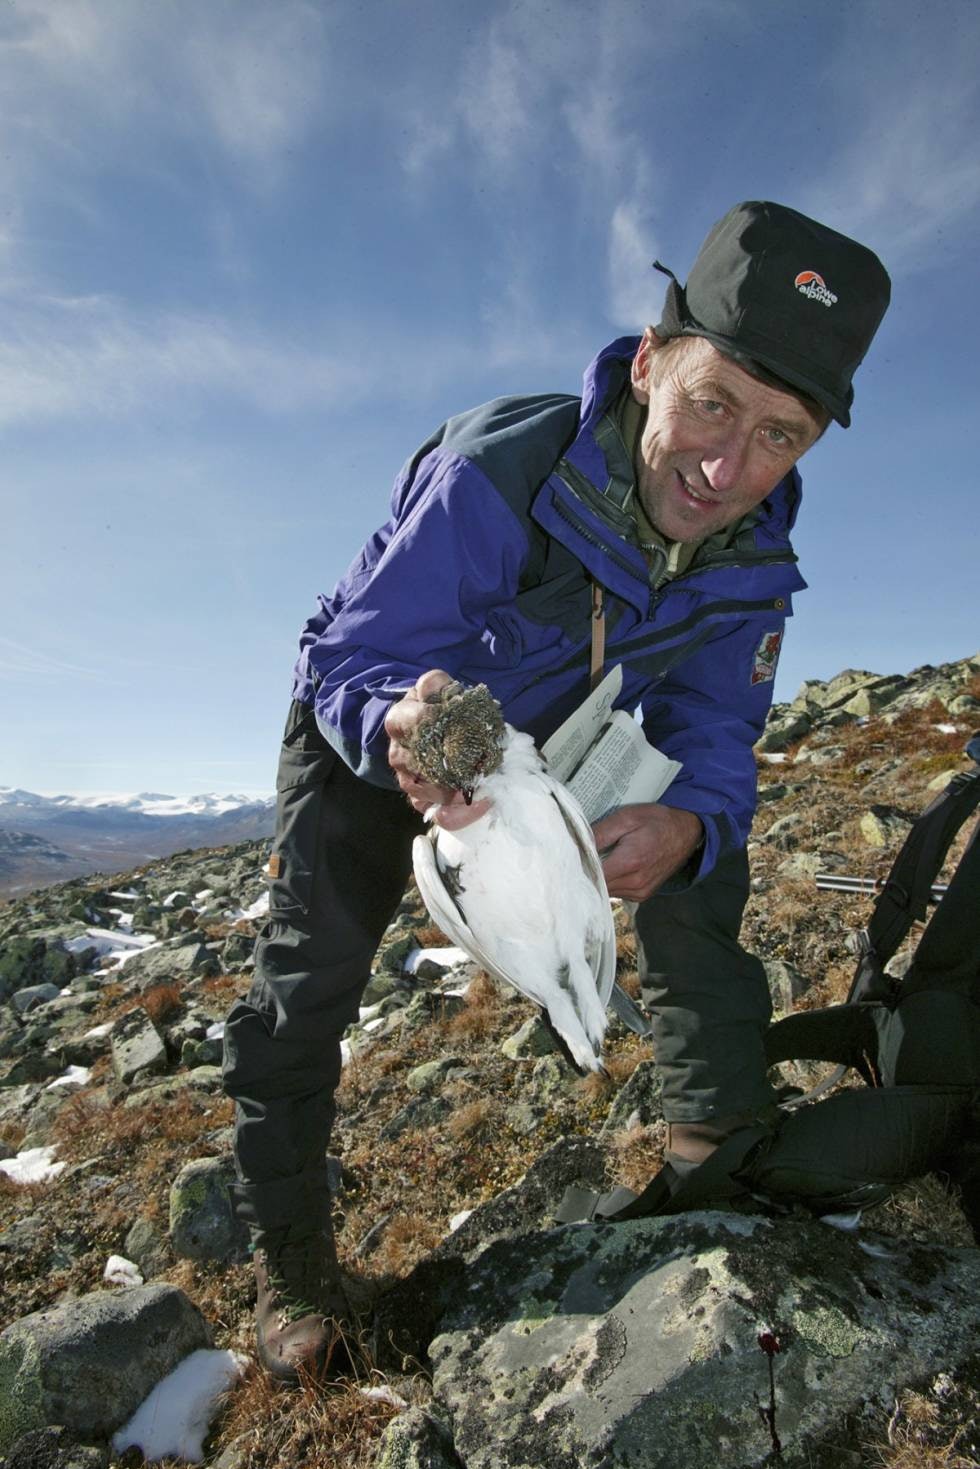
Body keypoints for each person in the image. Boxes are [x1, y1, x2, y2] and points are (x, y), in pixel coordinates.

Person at [222, 200, 892, 1381]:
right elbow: (339, 652)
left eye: (780, 435)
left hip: (539, 760)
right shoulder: (502, 471)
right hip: (385, 725)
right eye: (710, 402)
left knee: (703, 846)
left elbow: (716, 734)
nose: (726, 466)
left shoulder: (752, 564)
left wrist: (686, 823)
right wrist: (405, 730)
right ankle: (295, 1272)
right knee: (306, 982)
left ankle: (711, 1147)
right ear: (649, 363)